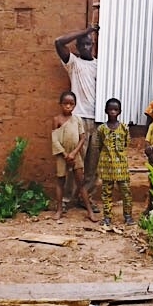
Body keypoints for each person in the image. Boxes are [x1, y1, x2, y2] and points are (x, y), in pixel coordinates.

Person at [55, 25, 100, 212]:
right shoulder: (73, 63)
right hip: (79, 119)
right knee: (74, 163)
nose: (85, 47)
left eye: (88, 44)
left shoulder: (100, 65)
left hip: (97, 119)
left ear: (93, 45)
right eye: (82, 44)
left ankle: (85, 198)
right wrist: (87, 30)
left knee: (92, 164)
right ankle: (66, 200)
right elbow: (58, 42)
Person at [51, 91, 98, 222]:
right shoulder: (57, 120)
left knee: (81, 182)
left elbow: (83, 138)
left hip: (75, 155)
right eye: (65, 103)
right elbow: (54, 139)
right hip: (62, 155)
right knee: (60, 181)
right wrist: (65, 154)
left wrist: (74, 153)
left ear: (75, 105)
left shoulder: (77, 119)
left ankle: (89, 211)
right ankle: (60, 209)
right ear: (60, 104)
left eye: (71, 104)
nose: (68, 106)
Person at [96, 98, 134, 226]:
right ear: (106, 111)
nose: (113, 112)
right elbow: (99, 145)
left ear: (120, 111)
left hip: (121, 165)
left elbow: (126, 143)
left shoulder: (124, 128)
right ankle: (107, 217)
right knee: (106, 192)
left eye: (115, 109)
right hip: (106, 165)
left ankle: (128, 216)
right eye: (110, 109)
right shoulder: (101, 129)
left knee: (126, 191)